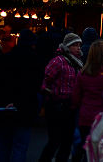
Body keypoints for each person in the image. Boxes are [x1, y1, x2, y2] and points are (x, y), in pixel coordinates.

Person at [0, 29, 42, 162]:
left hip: (3, 108)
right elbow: (35, 86)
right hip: (24, 109)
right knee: (19, 146)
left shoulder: (3, 59)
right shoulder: (35, 60)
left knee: (3, 146)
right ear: (32, 44)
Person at [39, 32, 83, 162]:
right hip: (57, 105)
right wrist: (52, 93)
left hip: (70, 106)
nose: (78, 48)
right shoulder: (58, 61)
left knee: (67, 140)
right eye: (75, 45)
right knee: (55, 140)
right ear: (67, 46)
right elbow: (45, 80)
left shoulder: (76, 62)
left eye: (79, 45)